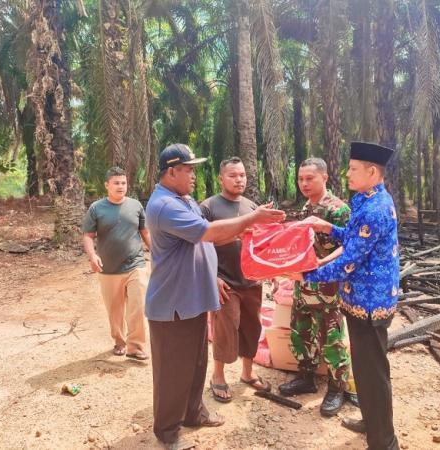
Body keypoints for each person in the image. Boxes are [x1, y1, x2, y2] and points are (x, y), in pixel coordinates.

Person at [145, 144, 285, 450]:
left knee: (195, 364)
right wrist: (252, 219)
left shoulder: (182, 199)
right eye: (189, 169)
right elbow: (207, 233)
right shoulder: (165, 206)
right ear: (172, 171)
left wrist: (244, 231)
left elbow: (215, 234)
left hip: (191, 300)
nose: (194, 175)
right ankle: (167, 433)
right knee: (173, 371)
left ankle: (193, 414)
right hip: (173, 306)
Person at [292, 142, 400, 450]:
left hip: (370, 303)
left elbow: (348, 261)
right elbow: (354, 238)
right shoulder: (366, 199)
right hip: (360, 298)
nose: (347, 173)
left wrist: (305, 275)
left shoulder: (376, 209)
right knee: (366, 369)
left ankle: (383, 442)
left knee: (373, 372)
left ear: (371, 171)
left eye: (353, 169)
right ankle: (371, 421)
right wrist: (328, 226)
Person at [278, 158, 358, 416]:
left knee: (331, 338)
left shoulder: (339, 210)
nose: (303, 184)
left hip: (328, 288)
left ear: (324, 177)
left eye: (309, 178)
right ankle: (306, 376)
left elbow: (349, 247)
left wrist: (322, 263)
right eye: (300, 179)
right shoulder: (305, 209)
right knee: (301, 332)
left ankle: (337, 388)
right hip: (303, 286)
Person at [200, 157, 271, 403]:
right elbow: (200, 245)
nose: (239, 179)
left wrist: (266, 269)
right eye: (233, 175)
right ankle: (217, 376)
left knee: (252, 326)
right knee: (224, 327)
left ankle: (247, 373)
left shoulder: (253, 207)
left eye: (242, 175)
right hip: (225, 281)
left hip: (251, 280)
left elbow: (261, 243)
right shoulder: (208, 207)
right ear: (221, 178)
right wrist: (213, 277)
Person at [82, 166, 151, 360]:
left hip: (135, 264)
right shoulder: (96, 208)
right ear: (107, 185)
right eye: (116, 183)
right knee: (115, 310)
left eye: (123, 183)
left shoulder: (136, 205)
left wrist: (157, 252)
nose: (121, 186)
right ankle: (119, 341)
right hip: (108, 269)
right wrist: (92, 255)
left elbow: (144, 232)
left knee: (138, 305)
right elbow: (88, 236)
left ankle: (135, 346)